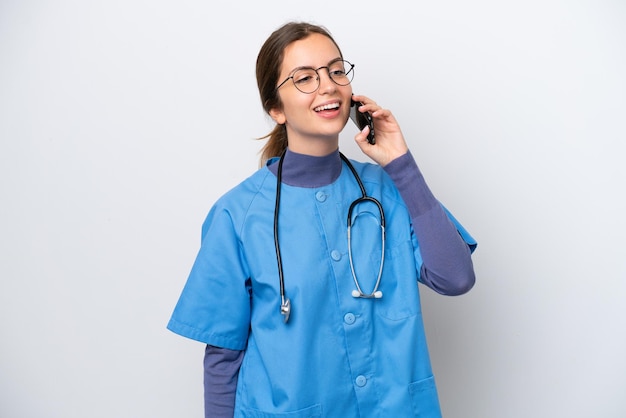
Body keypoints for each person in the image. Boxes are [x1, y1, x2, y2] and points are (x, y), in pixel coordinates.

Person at [167, 21, 477, 418]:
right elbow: (223, 359)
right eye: (305, 78)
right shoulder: (238, 215)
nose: (328, 86)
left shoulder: (390, 190)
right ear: (275, 109)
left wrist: (402, 164)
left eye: (335, 71)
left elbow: (456, 278)